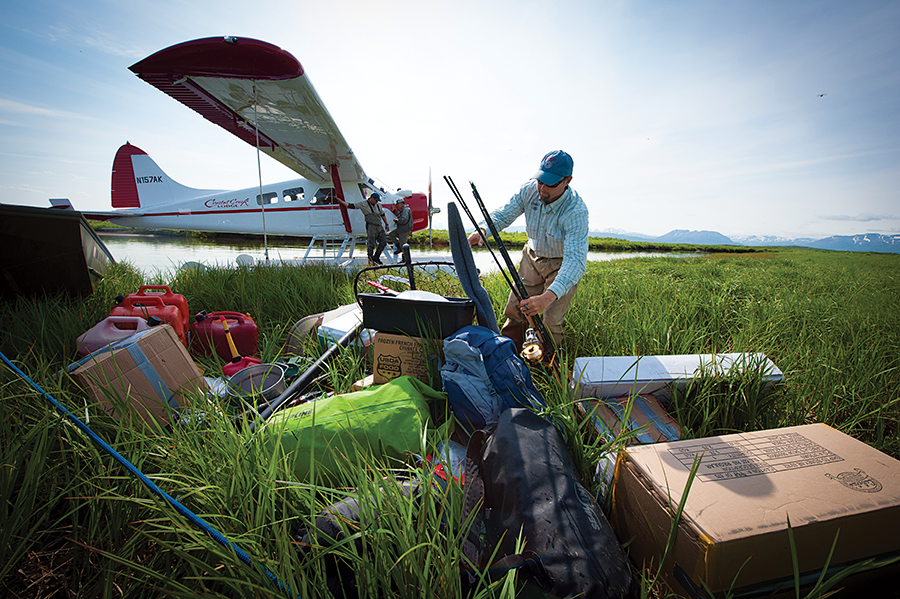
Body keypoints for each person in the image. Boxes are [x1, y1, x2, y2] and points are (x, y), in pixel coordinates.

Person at [468, 150, 589, 351]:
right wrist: (482, 231)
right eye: (540, 180)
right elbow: (503, 214)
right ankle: (508, 355)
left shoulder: (576, 211)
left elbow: (575, 261)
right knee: (516, 310)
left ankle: (547, 365)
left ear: (567, 181)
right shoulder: (530, 190)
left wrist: (547, 297)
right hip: (532, 256)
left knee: (550, 320)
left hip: (561, 264)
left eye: (550, 184)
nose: (542, 188)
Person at [336, 192, 390, 264]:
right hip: (371, 225)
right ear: (371, 198)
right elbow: (351, 205)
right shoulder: (363, 204)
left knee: (383, 242)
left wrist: (386, 224)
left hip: (379, 225)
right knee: (371, 243)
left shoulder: (378, 205)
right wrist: (340, 200)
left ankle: (376, 257)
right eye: (376, 200)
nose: (377, 202)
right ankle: (370, 259)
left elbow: (382, 215)